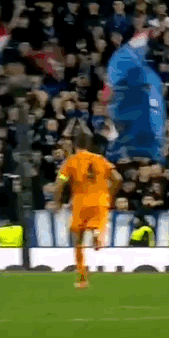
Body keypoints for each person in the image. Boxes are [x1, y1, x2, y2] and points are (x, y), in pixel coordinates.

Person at [53, 121, 122, 289]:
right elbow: (118, 178)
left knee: (78, 241)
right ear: (90, 144)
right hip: (100, 200)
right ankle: (97, 232)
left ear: (75, 145)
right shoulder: (100, 159)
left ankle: (82, 278)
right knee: (99, 223)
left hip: (80, 202)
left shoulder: (70, 161)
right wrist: (110, 195)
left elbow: (59, 183)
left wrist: (58, 202)